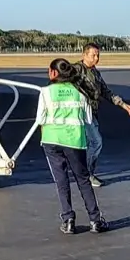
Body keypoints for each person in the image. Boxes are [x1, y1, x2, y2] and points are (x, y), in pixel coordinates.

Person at [37, 58, 108, 234]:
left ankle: (68, 219)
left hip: (52, 140)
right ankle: (95, 220)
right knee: (83, 180)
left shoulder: (45, 92)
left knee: (61, 181)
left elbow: (40, 119)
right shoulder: (80, 93)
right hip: (74, 141)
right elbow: (88, 120)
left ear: (53, 73)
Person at [72, 43, 130, 188]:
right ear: (84, 55)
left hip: (91, 113)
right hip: (79, 113)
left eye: (98, 55)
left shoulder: (95, 73)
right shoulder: (76, 70)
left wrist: (123, 104)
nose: (97, 58)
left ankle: (85, 173)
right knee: (96, 142)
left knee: (88, 145)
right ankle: (86, 174)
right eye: (93, 55)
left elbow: (105, 92)